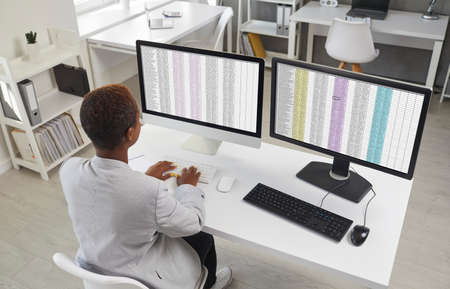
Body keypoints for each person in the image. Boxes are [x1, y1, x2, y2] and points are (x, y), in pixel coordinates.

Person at [59, 84, 232, 289]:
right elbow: (193, 223)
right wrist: (188, 188)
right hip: (140, 276)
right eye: (138, 116)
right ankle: (208, 284)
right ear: (131, 133)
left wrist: (143, 179)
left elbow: (111, 194)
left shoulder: (68, 170)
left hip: (96, 271)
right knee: (203, 237)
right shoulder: (148, 191)